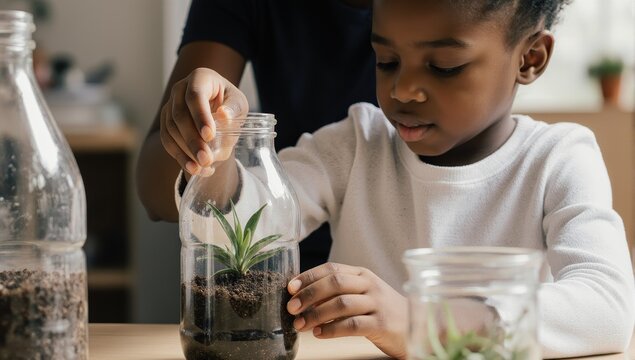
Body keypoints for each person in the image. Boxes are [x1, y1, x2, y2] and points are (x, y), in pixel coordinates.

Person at [167, 0, 635, 359]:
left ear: (530, 57)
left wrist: (420, 321)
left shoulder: (558, 158)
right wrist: (220, 145)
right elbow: (234, 228)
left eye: (444, 67)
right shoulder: (355, 144)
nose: (401, 90)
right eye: (386, 61)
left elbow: (606, 308)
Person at [136, 0, 377, 271]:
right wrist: (213, 143)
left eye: (436, 66)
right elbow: (249, 213)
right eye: (389, 63)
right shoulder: (344, 145)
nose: (405, 90)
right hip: (280, 267)